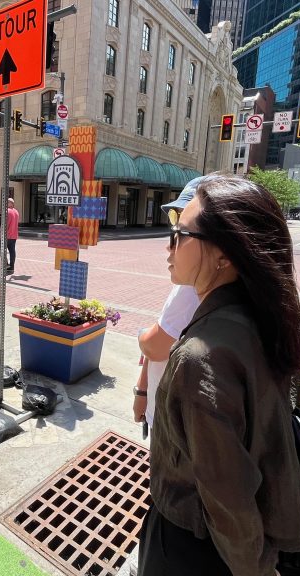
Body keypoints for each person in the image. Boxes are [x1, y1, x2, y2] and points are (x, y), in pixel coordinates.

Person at [138, 174, 300, 576]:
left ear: (224, 254)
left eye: (180, 233)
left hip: (193, 549)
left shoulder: (202, 357)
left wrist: (257, 569)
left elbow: (227, 495)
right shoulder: (257, 319)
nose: (169, 245)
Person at [133, 179, 204, 430]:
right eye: (174, 224)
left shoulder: (192, 289)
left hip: (171, 423)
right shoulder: (192, 280)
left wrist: (143, 335)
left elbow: (154, 346)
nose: (170, 243)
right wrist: (142, 390)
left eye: (182, 232)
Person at [0, 197, 20, 275]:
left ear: (10, 203)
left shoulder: (6, 211)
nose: (5, 204)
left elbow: (3, 224)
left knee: (0, 249)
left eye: (7, 202)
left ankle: (5, 264)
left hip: (6, 235)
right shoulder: (16, 212)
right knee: (12, 251)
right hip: (14, 235)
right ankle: (11, 267)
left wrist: (0, 234)